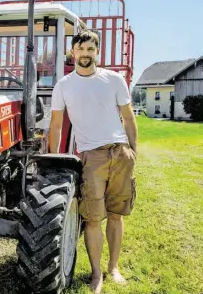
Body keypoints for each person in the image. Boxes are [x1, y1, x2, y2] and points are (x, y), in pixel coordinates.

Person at [49, 30, 138, 293]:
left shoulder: (113, 80)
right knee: (92, 218)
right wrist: (55, 160)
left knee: (115, 215)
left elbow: (129, 118)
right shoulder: (64, 85)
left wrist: (133, 152)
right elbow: (56, 125)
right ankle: (96, 274)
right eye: (81, 49)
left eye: (91, 49)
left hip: (120, 152)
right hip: (91, 156)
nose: (86, 54)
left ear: (97, 52)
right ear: (72, 52)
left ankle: (113, 267)